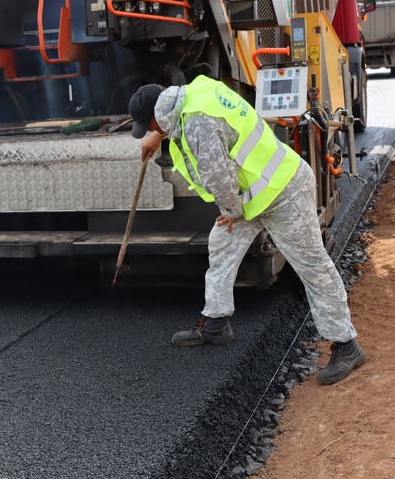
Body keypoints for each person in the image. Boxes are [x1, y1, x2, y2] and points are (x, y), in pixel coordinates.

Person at [129, 76, 365, 385]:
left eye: (147, 127)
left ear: (158, 116)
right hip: (255, 193)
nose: (147, 132)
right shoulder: (195, 92)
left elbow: (220, 180)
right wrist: (158, 137)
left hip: (282, 191)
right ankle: (216, 322)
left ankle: (347, 345)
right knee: (222, 241)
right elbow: (185, 124)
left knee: (312, 266)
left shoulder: (198, 124)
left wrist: (231, 211)